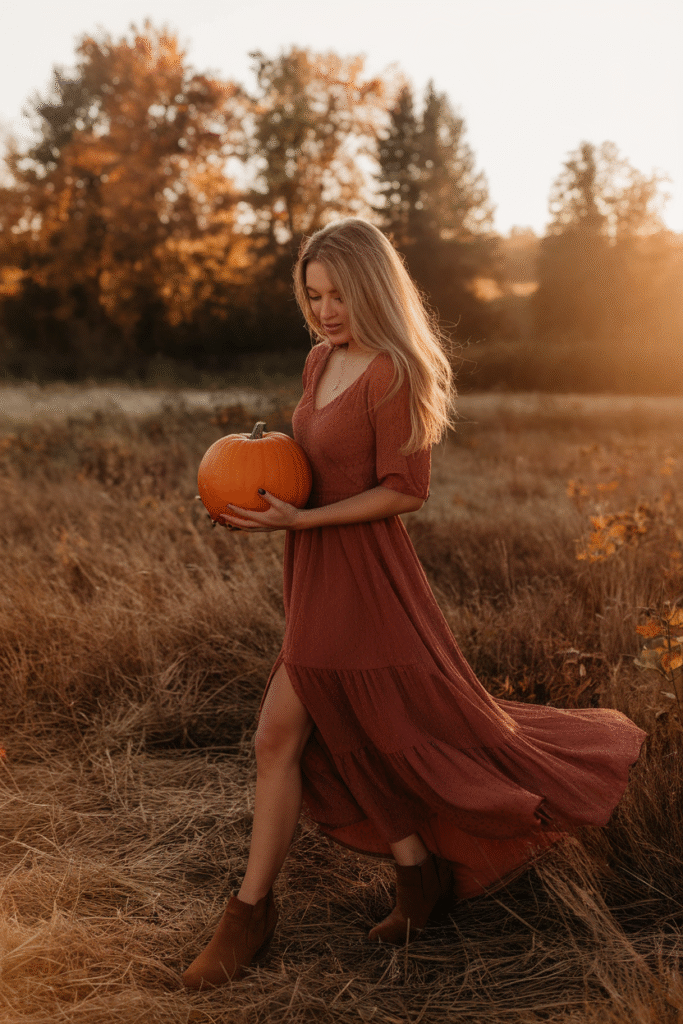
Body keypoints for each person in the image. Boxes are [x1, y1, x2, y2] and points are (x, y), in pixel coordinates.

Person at [181, 217, 646, 990]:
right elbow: (306, 463)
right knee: (339, 728)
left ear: (372, 286)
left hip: (365, 578)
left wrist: (306, 520)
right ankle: (415, 872)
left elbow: (406, 492)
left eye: (338, 295)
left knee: (284, 736)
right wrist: (256, 503)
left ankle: (249, 914)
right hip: (313, 567)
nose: (325, 311)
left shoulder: (393, 371)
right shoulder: (319, 360)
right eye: (313, 295)